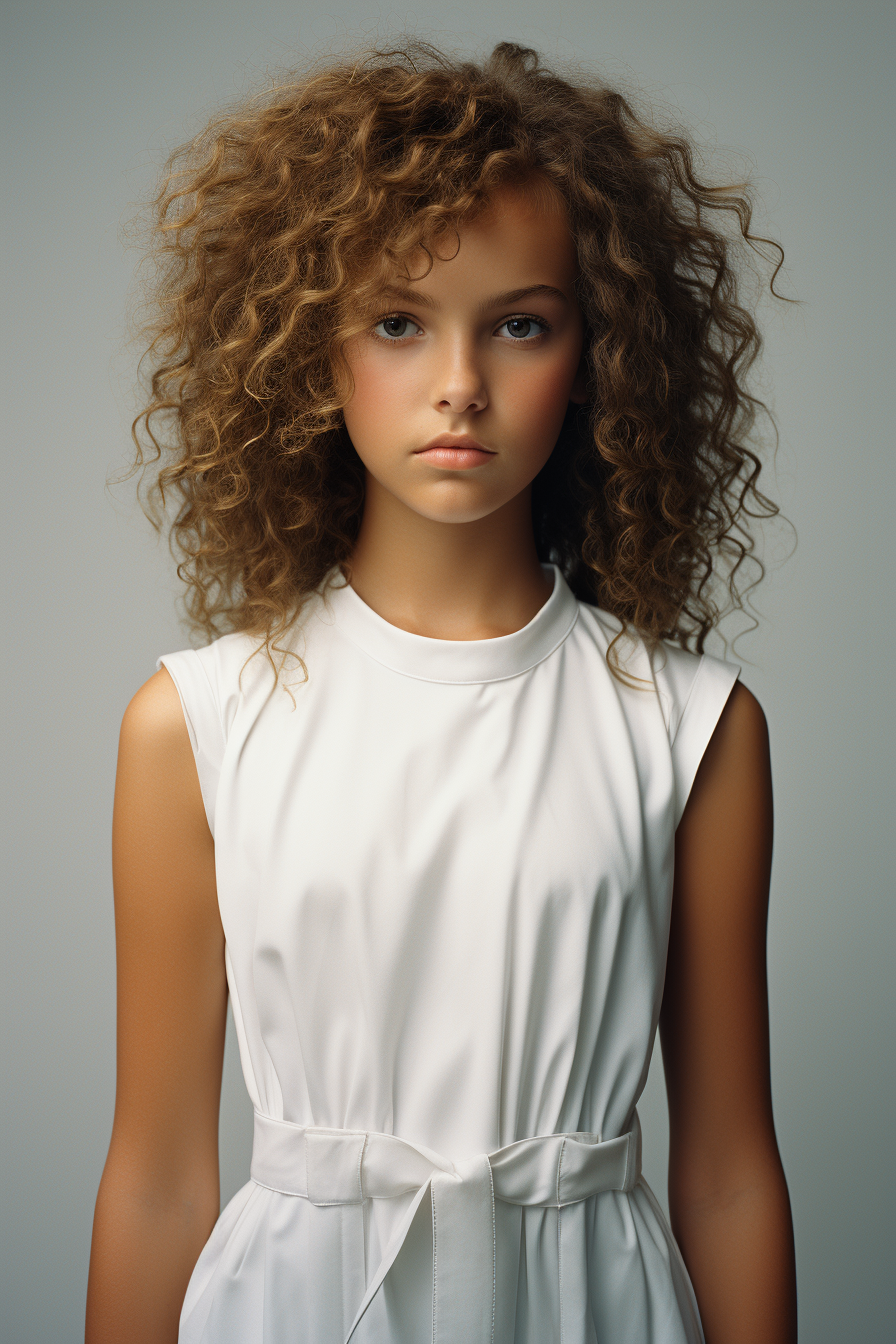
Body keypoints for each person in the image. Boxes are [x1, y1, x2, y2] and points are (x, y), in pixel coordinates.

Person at [86, 40, 798, 1344]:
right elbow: (158, 1178)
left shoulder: (690, 728)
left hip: (596, 1310)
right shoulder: (195, 725)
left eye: (519, 323)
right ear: (316, 349)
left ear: (594, 357)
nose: (459, 384)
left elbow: (730, 1170)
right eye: (399, 323)